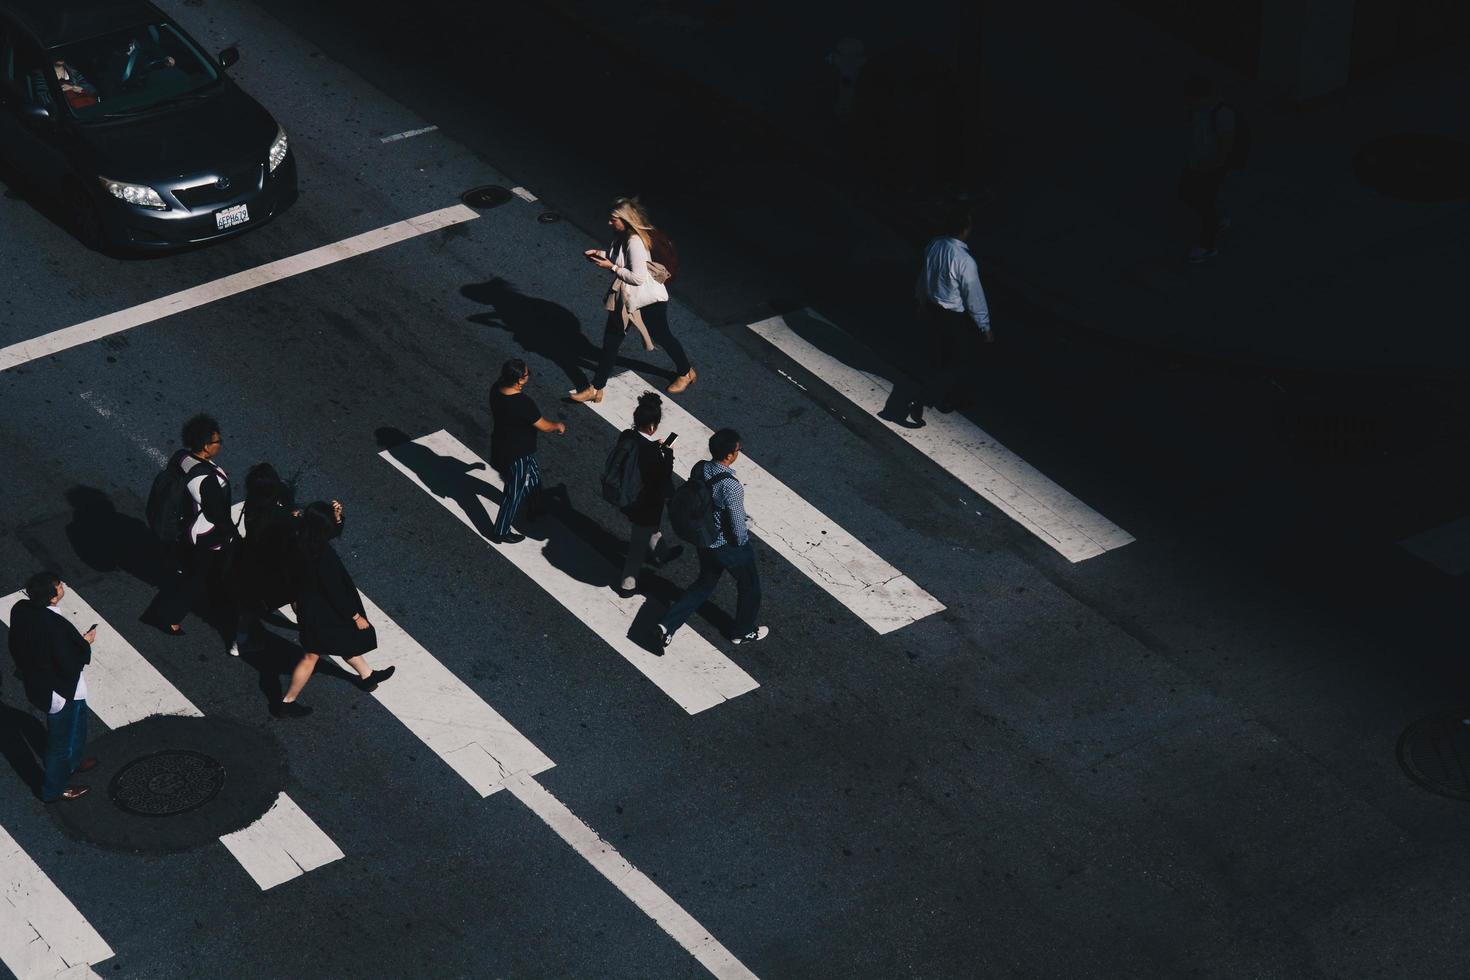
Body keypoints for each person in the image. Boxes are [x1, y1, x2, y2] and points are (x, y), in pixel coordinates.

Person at [275, 501, 394, 718]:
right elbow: (335, 590)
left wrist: (337, 517)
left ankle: (367, 677)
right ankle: (287, 702)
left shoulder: (302, 536)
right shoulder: (321, 554)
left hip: (307, 602)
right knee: (311, 654)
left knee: (338, 638)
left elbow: (326, 532)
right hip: (320, 608)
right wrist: (355, 616)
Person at [570, 197, 695, 402]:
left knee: (662, 336)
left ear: (626, 220)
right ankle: (596, 388)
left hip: (646, 300)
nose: (609, 223)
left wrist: (610, 267)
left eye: (613, 219)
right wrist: (600, 254)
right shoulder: (621, 235)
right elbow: (618, 257)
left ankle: (686, 372)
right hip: (626, 298)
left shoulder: (634, 241)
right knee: (611, 341)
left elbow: (637, 277)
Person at [656, 428, 768, 647]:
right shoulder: (731, 486)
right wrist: (743, 543)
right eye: (739, 450)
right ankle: (743, 631)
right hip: (725, 544)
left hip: (703, 538)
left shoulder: (701, 467)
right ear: (729, 456)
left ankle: (667, 625)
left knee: (704, 584)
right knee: (750, 586)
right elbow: (737, 526)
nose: (739, 452)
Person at [7, 573, 98, 802]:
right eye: (58, 586)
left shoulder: (21, 609)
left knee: (77, 726)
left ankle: (74, 762)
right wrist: (84, 643)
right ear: (53, 597)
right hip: (60, 690)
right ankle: (53, 790)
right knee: (60, 745)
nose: (62, 586)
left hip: (43, 683)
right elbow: (69, 665)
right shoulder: (54, 626)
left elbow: (16, 645)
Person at [154, 414, 235, 637]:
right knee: (194, 579)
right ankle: (170, 617)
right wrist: (231, 536)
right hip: (203, 535)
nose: (220, 445)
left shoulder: (182, 458)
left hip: (184, 528)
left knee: (195, 573)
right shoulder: (207, 479)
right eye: (217, 441)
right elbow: (217, 514)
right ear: (206, 447)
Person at [914, 204, 993, 418]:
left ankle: (935, 393)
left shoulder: (935, 245)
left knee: (940, 353)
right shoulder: (964, 261)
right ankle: (935, 397)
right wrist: (984, 326)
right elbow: (974, 296)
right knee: (960, 359)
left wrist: (921, 300)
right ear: (966, 230)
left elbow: (925, 275)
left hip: (932, 309)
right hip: (952, 316)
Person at [490, 358, 567, 544]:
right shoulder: (522, 403)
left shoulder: (496, 389)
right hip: (516, 453)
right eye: (526, 374)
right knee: (514, 492)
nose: (528, 377)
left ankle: (535, 505)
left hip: (503, 443)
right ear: (519, 381)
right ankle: (500, 530)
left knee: (533, 475)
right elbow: (544, 426)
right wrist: (558, 426)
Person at [228, 463, 299, 657]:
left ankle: (240, 641)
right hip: (278, 565)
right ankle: (307, 625)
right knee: (296, 593)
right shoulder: (277, 515)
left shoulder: (252, 505)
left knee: (249, 605)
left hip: (253, 563)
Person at [616, 393, 684, 593]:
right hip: (644, 504)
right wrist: (667, 453)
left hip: (627, 496)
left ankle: (662, 553)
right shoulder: (653, 452)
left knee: (650, 529)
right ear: (653, 426)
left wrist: (656, 448)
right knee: (637, 546)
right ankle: (627, 585)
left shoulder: (627, 436)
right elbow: (663, 476)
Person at [1179, 74, 1236, 263]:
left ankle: (1207, 246)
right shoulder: (1198, 110)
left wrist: (1212, 167)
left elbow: (1226, 147)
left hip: (1210, 168)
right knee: (1190, 195)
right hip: (1197, 163)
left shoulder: (1220, 114)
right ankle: (1216, 220)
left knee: (1205, 205)